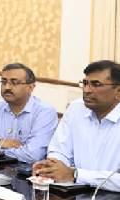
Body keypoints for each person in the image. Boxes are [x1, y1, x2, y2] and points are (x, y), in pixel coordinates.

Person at [34, 60, 120, 190]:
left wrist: (75, 174)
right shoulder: (76, 108)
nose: (86, 90)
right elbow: (59, 150)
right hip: (73, 192)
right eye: (85, 83)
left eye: (96, 84)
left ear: (118, 91)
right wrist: (53, 168)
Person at [0, 63, 58, 164]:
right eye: (4, 82)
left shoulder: (44, 112)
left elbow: (33, 155)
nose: (7, 87)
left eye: (14, 82)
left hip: (29, 171)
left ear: (30, 87)